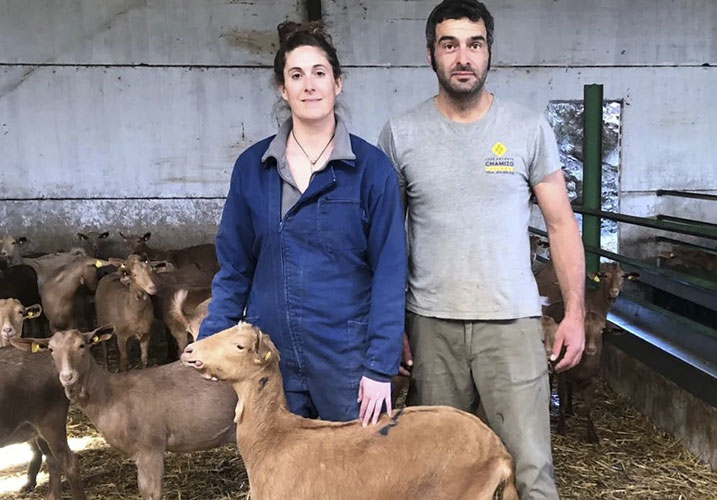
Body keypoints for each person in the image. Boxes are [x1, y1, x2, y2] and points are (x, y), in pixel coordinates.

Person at [378, 1, 586, 498]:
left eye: (474, 43)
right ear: (431, 54)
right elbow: (387, 240)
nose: (463, 56)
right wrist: (390, 328)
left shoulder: (527, 128)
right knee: (432, 472)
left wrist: (575, 313)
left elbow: (560, 224)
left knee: (531, 468)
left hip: (512, 324)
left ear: (490, 52)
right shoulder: (400, 134)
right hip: (430, 326)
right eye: (449, 44)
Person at [200, 21, 406, 426]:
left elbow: (389, 270)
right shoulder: (252, 168)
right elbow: (235, 265)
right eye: (296, 75)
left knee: (356, 476)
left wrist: (381, 367)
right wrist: (211, 340)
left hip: (346, 357)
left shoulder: (370, 169)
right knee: (280, 474)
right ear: (283, 89)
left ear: (337, 83)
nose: (309, 85)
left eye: (319, 73)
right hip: (270, 356)